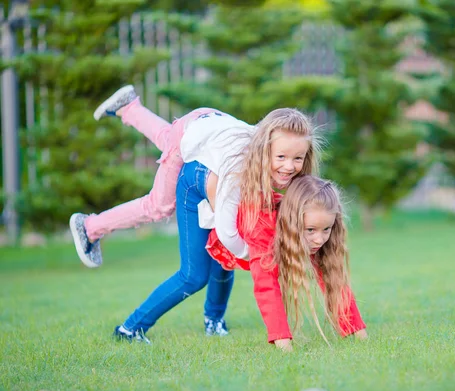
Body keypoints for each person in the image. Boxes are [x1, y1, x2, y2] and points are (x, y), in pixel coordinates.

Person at [113, 105, 320, 343]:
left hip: (215, 177)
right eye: (281, 157)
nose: (289, 166)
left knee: (223, 261)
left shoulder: (284, 165)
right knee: (194, 275)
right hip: (195, 183)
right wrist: (259, 254)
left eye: (297, 158)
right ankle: (129, 329)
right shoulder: (238, 174)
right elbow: (228, 234)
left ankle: (214, 320)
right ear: (265, 151)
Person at [69, 85, 223, 269]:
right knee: (158, 206)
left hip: (208, 120)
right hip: (199, 134)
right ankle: (89, 227)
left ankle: (129, 107)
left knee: (169, 138)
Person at [207, 175, 367, 351]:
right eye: (311, 230)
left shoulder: (312, 225)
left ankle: (213, 318)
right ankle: (212, 317)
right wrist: (283, 342)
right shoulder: (264, 231)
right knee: (196, 276)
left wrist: (359, 333)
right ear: (292, 221)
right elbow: (267, 287)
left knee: (219, 276)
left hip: (240, 236)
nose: (319, 239)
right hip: (205, 203)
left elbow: (333, 280)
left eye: (326, 229)